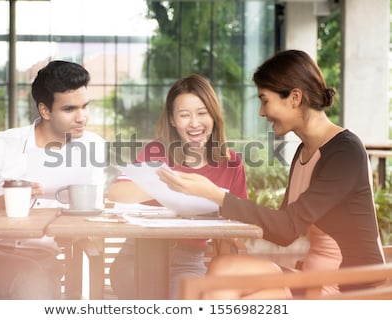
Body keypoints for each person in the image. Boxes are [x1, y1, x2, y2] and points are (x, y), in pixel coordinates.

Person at [157, 50, 385, 299]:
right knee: (223, 268)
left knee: (234, 295)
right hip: (312, 277)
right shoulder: (304, 151)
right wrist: (212, 200)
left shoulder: (345, 152)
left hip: (349, 287)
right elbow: (283, 227)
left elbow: (286, 228)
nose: (262, 112)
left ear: (295, 98)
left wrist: (217, 195)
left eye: (265, 100)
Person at [0, 60, 106, 299]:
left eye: (85, 106)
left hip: (45, 256)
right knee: (32, 279)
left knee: (37, 278)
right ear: (45, 111)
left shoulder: (91, 146)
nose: (82, 117)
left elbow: (92, 212)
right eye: (69, 109)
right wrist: (11, 200)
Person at [107, 74, 248, 299]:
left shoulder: (231, 163)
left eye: (202, 113)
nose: (194, 123)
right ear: (173, 120)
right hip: (139, 256)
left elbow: (242, 221)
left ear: (214, 115)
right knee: (148, 295)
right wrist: (167, 184)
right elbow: (117, 192)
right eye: (184, 115)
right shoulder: (157, 151)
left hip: (188, 261)